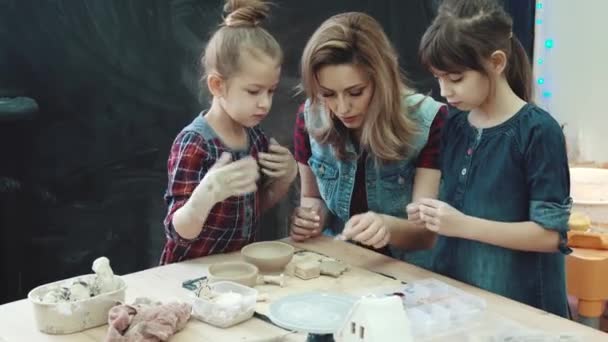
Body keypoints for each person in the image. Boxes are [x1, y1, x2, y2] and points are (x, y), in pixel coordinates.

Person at [416, 0, 571, 317]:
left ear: (497, 62)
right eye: (439, 77)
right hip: (460, 303)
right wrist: (429, 214)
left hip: (522, 310)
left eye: (455, 78)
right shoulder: (454, 123)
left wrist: (460, 225)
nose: (444, 90)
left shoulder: (538, 132)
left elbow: (549, 235)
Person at [290, 11, 448, 267]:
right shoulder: (309, 117)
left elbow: (425, 235)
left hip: (409, 273)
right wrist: (307, 220)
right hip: (340, 262)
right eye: (328, 94)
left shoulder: (430, 121)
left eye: (355, 92)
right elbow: (313, 199)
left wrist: (387, 227)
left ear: (381, 80)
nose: (342, 108)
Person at [160, 0, 297, 265]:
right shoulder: (194, 143)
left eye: (271, 91)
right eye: (253, 91)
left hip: (233, 271)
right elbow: (178, 232)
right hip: (186, 275)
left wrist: (285, 178)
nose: (265, 103)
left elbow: (253, 211)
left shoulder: (255, 138)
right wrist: (208, 192)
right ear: (217, 85)